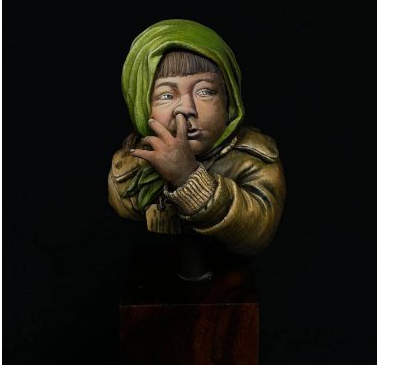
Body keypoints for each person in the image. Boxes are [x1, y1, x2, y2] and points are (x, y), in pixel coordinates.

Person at [108, 19, 286, 256]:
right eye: (166, 95)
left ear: (229, 102)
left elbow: (256, 233)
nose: (187, 108)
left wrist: (187, 177)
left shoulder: (254, 160)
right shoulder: (127, 168)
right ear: (142, 107)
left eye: (205, 91)